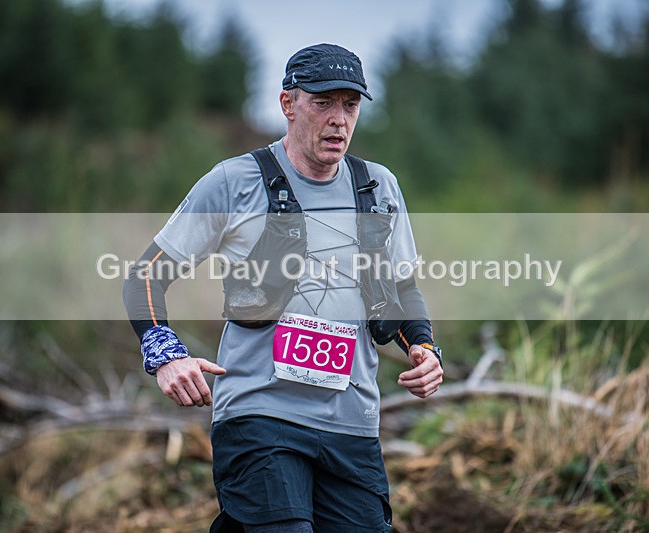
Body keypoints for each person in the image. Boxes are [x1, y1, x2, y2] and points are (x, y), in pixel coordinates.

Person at [124, 43, 444, 533]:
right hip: (259, 415)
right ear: (288, 104)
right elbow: (147, 273)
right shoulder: (234, 181)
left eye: (350, 105)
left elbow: (401, 288)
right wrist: (165, 352)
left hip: (351, 424)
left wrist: (423, 347)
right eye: (323, 103)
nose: (339, 119)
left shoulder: (378, 187)